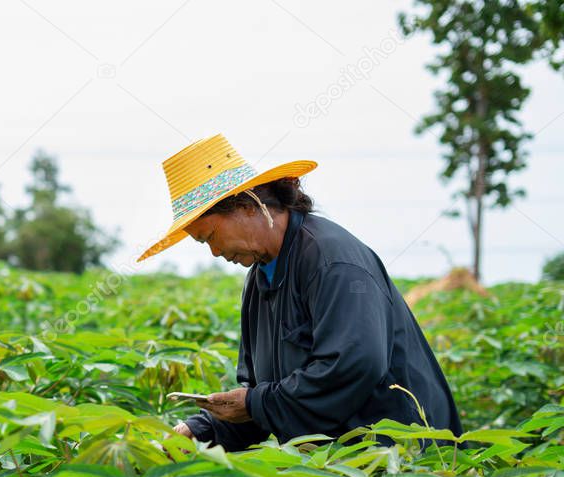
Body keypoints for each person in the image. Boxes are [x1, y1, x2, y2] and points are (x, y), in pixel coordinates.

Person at [137, 133, 462, 449]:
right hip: (329, 468)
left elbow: (352, 367)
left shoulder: (332, 260)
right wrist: (200, 429)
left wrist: (255, 403)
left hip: (400, 464)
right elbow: (265, 398)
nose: (214, 253)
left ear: (247, 206)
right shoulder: (259, 280)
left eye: (208, 236)